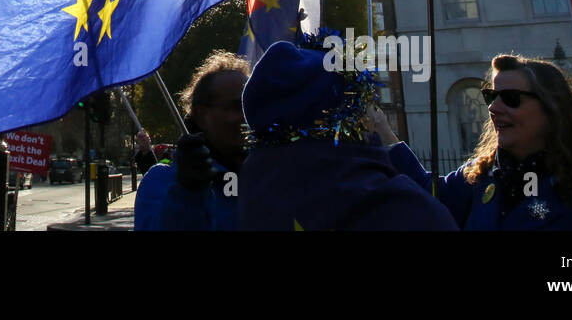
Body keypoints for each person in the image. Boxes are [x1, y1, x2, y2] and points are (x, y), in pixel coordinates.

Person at [373, 53, 572, 230]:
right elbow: (429, 198)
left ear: (552, 108)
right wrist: (381, 129)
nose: (494, 108)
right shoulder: (481, 176)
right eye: (491, 97)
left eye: (511, 99)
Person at [239, 38, 457, 230]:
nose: (373, 109)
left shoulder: (247, 200)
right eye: (364, 99)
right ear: (349, 113)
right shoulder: (407, 210)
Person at [134, 51, 249, 230]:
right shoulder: (162, 181)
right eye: (236, 106)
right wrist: (188, 195)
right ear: (202, 116)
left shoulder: (266, 173)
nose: (246, 116)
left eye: (250, 105)